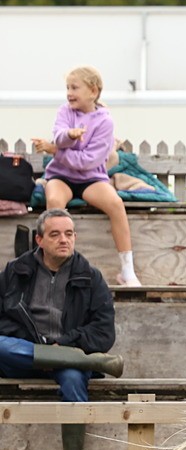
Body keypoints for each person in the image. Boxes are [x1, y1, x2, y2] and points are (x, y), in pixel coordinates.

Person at [0, 209, 123, 450]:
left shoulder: (90, 277)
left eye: (69, 234)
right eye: (55, 234)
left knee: (73, 379)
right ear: (39, 240)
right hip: (23, 356)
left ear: (75, 237)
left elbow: (103, 332)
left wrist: (64, 343)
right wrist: (36, 344)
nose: (63, 240)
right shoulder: (15, 271)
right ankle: (70, 360)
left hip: (69, 355)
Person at [31, 66, 141, 287]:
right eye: (67, 88)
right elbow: (58, 136)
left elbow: (87, 162)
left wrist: (55, 151)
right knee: (54, 202)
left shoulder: (105, 121)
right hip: (61, 175)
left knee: (116, 204)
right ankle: (50, 267)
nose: (69, 93)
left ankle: (127, 270)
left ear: (93, 91)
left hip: (91, 178)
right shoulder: (65, 111)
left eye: (74, 88)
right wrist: (69, 136)